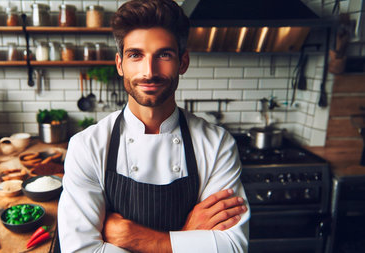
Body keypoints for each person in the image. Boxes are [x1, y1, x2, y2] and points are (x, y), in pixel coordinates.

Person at [58, 0, 250, 252]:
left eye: (164, 54)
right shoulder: (87, 146)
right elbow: (81, 250)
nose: (149, 71)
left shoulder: (216, 144)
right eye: (135, 55)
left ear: (183, 63)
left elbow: (233, 247)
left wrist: (135, 237)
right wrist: (186, 237)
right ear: (119, 64)